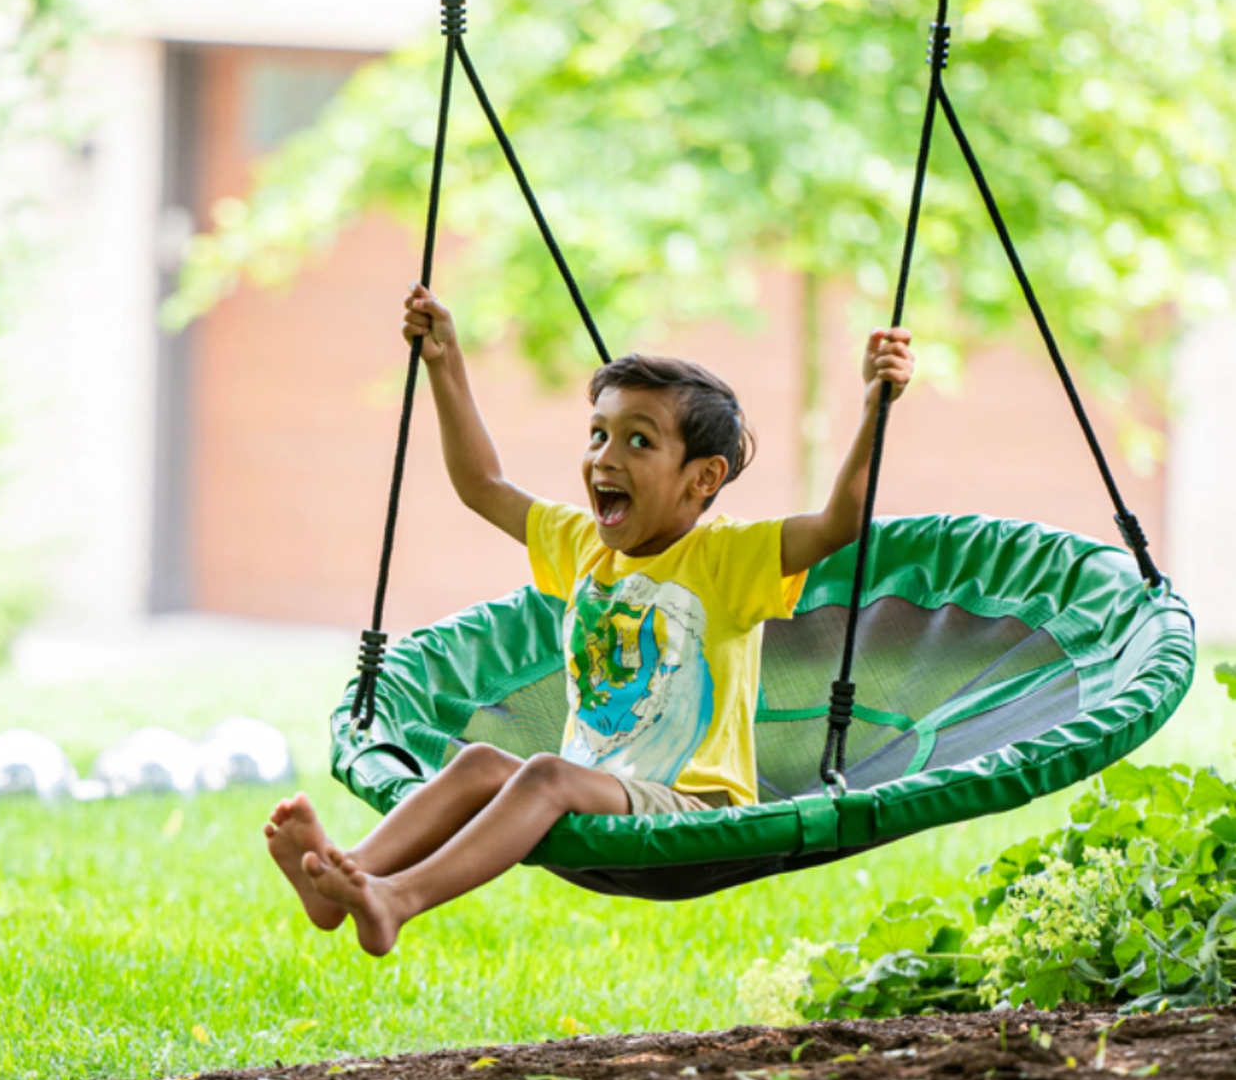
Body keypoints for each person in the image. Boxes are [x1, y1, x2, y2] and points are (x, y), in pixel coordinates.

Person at [265, 284, 915, 955]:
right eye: (598, 434)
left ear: (701, 478)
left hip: (693, 813)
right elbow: (482, 485)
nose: (605, 457)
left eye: (638, 441)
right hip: (597, 789)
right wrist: (444, 361)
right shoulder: (582, 544)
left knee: (542, 773)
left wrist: (875, 407)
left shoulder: (728, 557)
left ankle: (397, 900)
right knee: (485, 761)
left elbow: (841, 522)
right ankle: (349, 875)